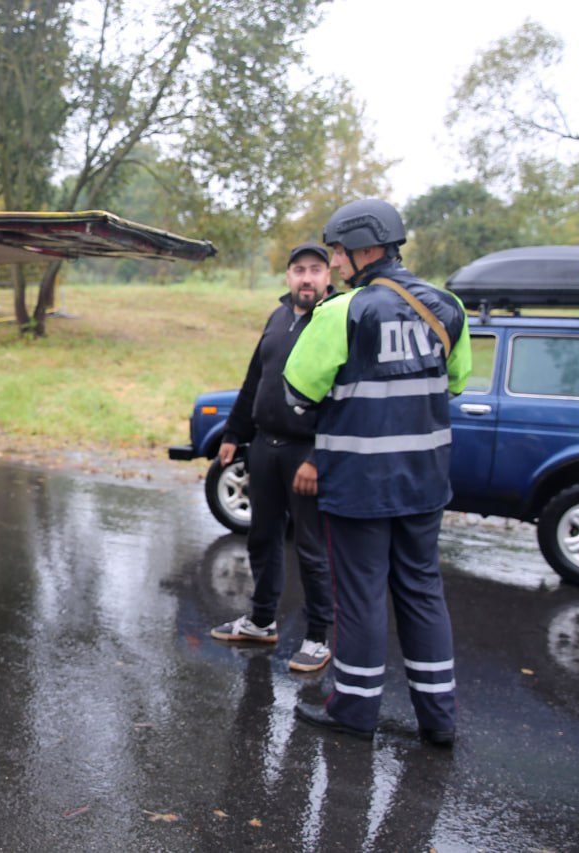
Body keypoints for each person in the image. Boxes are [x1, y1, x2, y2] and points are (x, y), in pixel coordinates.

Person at [283, 199, 471, 746]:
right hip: (426, 480)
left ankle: (355, 710)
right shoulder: (449, 307)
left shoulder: (343, 312)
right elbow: (454, 384)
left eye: (338, 251)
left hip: (359, 484)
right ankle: (439, 719)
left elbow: (298, 393)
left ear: (367, 248)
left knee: (361, 594)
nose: (335, 262)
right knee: (422, 590)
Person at [210, 242, 335, 673]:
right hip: (265, 446)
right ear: (287, 276)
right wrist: (234, 434)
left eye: (315, 270)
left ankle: (319, 637)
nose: (306, 278)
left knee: (312, 547)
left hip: (306, 450)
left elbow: (343, 400)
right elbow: (254, 379)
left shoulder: (337, 322)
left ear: (328, 276)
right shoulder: (279, 317)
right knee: (262, 538)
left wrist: (318, 458)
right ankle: (262, 620)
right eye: (299, 270)